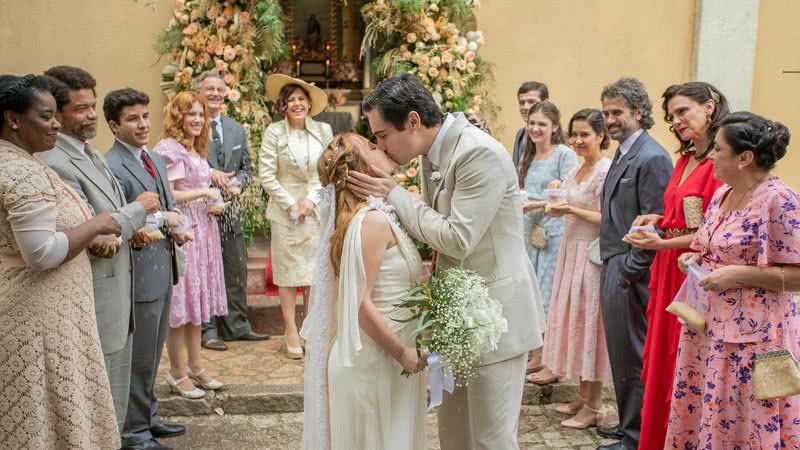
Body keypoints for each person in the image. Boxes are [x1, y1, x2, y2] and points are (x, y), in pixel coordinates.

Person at [348, 72, 544, 450]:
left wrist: (395, 196)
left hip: (496, 317)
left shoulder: (477, 152)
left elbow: (458, 238)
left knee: (491, 440)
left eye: (382, 134)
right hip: (456, 316)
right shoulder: (429, 154)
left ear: (413, 121)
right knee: (455, 437)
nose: (380, 145)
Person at [0, 74, 121, 449]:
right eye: (46, 115)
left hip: (52, 318)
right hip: (37, 323)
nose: (56, 124)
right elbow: (42, 253)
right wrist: (99, 223)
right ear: (13, 119)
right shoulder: (18, 171)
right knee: (41, 426)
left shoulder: (23, 161)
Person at [666, 112, 800, 447]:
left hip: (753, 339)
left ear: (745, 158)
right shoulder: (720, 194)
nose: (710, 155)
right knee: (709, 416)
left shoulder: (778, 200)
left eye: (718, 149)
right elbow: (710, 246)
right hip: (707, 329)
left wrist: (738, 275)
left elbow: (798, 276)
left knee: (745, 420)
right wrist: (694, 258)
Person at [38, 65, 158, 433]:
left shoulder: (91, 153)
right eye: (81, 108)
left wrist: (130, 229)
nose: (91, 114)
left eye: (93, 105)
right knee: (96, 411)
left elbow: (112, 220)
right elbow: (90, 232)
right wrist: (140, 210)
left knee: (114, 409)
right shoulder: (56, 162)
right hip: (93, 300)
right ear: (56, 114)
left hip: (118, 298)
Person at [302, 133, 427, 450]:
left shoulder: (377, 214)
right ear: (360, 170)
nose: (380, 145)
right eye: (371, 146)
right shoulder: (371, 221)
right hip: (374, 362)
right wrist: (402, 353)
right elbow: (358, 303)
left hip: (383, 358)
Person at [625, 81, 727, 449]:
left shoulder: (721, 162)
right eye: (671, 117)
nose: (676, 121)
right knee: (661, 361)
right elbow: (681, 216)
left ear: (710, 106)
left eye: (683, 111)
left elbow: (711, 230)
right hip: (668, 266)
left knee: (683, 360)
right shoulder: (685, 158)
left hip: (693, 271)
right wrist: (655, 219)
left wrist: (663, 241)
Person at [103, 88, 188, 450]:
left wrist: (174, 228)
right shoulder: (112, 165)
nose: (142, 124)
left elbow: (165, 207)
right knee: (138, 358)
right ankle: (134, 433)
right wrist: (159, 221)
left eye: (144, 116)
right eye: (132, 119)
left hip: (162, 267)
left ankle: (149, 417)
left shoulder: (152, 157)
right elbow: (121, 219)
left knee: (153, 354)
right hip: (137, 273)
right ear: (114, 125)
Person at [596, 77, 673, 450]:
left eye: (617, 112)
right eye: (606, 112)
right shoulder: (624, 151)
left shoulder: (653, 156)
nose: (610, 119)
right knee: (621, 354)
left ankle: (636, 438)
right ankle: (629, 425)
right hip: (613, 264)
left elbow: (656, 218)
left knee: (633, 354)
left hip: (631, 273)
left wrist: (628, 272)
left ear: (639, 113)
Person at [539, 108, 613, 428]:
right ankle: (583, 396)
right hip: (570, 254)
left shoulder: (604, 171)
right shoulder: (577, 170)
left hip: (591, 255)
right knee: (577, 323)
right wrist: (558, 205)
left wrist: (570, 209)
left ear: (600, 135)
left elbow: (608, 218)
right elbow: (563, 207)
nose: (578, 140)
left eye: (585, 134)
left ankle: (595, 406)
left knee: (591, 326)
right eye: (575, 134)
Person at [155, 91, 226, 398]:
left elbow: (198, 185)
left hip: (203, 229)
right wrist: (204, 194)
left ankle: (197, 366)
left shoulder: (195, 148)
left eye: (201, 115)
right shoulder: (169, 148)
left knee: (195, 303)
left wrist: (216, 198)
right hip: (182, 230)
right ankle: (177, 372)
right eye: (191, 114)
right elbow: (168, 194)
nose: (198, 120)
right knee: (180, 306)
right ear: (178, 117)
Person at [259, 74, 333, 359]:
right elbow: (266, 174)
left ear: (309, 103)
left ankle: (310, 329)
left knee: (313, 275)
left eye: (301, 99)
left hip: (314, 210)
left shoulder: (323, 130)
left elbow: (327, 168)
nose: (297, 104)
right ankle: (290, 330)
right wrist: (291, 205)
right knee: (289, 276)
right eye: (291, 100)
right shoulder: (274, 133)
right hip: (284, 212)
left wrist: (311, 201)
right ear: (284, 105)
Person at [196, 71, 268, 351]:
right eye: (209, 89)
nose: (215, 93)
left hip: (232, 209)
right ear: (199, 92)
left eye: (219, 89)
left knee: (235, 267)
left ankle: (237, 325)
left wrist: (239, 183)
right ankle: (208, 329)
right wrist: (210, 174)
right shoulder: (191, 124)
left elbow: (247, 168)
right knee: (206, 268)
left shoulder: (236, 128)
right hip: (201, 209)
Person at [518, 101, 578, 384]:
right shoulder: (529, 155)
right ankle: (538, 352)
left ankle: (552, 359)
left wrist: (535, 204)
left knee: (549, 294)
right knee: (532, 293)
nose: (535, 128)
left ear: (554, 126)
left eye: (542, 124)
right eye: (532, 123)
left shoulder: (563, 154)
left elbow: (571, 193)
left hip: (552, 232)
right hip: (529, 232)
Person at [512, 81, 549, 169]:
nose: (525, 107)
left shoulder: (554, 135)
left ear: (546, 103)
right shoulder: (520, 134)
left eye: (531, 102)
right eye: (522, 103)